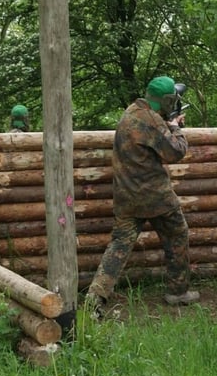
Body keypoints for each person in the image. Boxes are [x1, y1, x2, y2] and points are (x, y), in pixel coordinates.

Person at [85, 76, 199, 317]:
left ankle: (94, 298)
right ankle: (178, 292)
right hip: (155, 196)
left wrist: (166, 122)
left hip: (126, 195)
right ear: (167, 100)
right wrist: (176, 127)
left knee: (119, 246)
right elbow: (176, 152)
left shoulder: (132, 111)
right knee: (177, 234)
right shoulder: (151, 121)